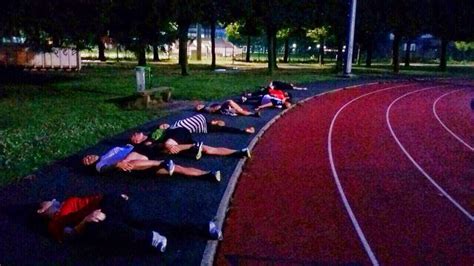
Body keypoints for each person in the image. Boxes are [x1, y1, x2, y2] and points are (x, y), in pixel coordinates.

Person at [37, 193, 223, 253]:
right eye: (49, 202)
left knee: (141, 222)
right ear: (41, 210)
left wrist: (115, 196)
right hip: (94, 222)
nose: (53, 200)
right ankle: (201, 228)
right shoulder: (54, 222)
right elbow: (69, 236)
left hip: (107, 205)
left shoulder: (69, 200)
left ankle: (150, 236)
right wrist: (85, 221)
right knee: (137, 226)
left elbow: (93, 198)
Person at [82, 144, 221, 182]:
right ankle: (208, 174)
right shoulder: (100, 165)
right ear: (90, 166)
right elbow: (105, 170)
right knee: (175, 169)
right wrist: (116, 165)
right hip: (138, 164)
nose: (89, 158)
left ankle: (162, 161)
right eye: (87, 161)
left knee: (126, 161)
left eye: (87, 156)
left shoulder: (108, 152)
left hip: (138, 152)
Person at [131, 127, 251, 160]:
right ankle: (239, 152)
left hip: (178, 134)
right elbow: (153, 148)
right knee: (208, 149)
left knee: (169, 145)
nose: (135, 135)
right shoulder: (146, 143)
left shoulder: (152, 130)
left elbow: (165, 126)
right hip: (177, 143)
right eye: (134, 137)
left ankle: (193, 147)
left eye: (135, 134)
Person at [159, 114, 255, 135]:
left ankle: (216, 123)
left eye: (163, 124)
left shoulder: (174, 124)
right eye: (163, 127)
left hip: (203, 122)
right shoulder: (173, 128)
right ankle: (244, 131)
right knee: (224, 129)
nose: (165, 125)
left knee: (222, 127)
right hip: (202, 126)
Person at [195, 100, 260, 117]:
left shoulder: (207, 106)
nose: (199, 105)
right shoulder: (206, 109)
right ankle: (253, 114)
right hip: (223, 109)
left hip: (224, 108)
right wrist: (220, 106)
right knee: (230, 102)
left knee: (239, 110)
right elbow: (213, 110)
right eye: (198, 107)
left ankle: (252, 114)